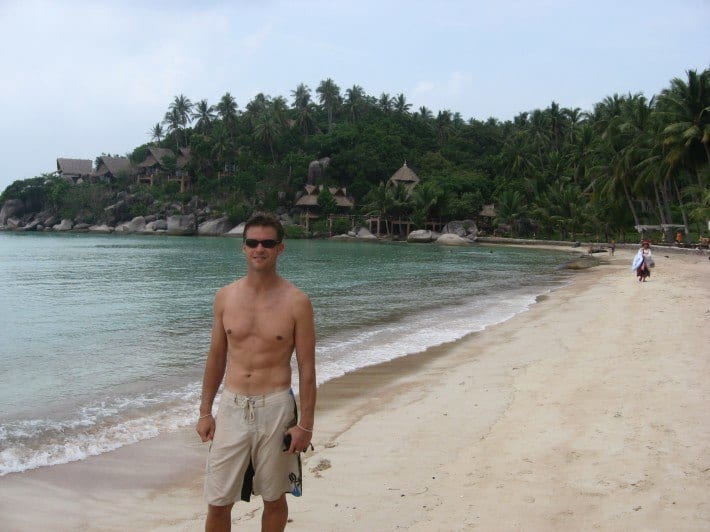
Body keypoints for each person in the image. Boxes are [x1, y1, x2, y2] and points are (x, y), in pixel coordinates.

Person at [196, 213, 316, 532]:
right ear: (243, 248)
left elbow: (307, 369)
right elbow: (216, 357)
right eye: (252, 242)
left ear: (280, 249)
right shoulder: (225, 297)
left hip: (276, 408)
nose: (259, 249)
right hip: (233, 407)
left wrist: (306, 425)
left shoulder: (297, 302)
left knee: (274, 497)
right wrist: (205, 412)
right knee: (219, 499)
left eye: (267, 243)